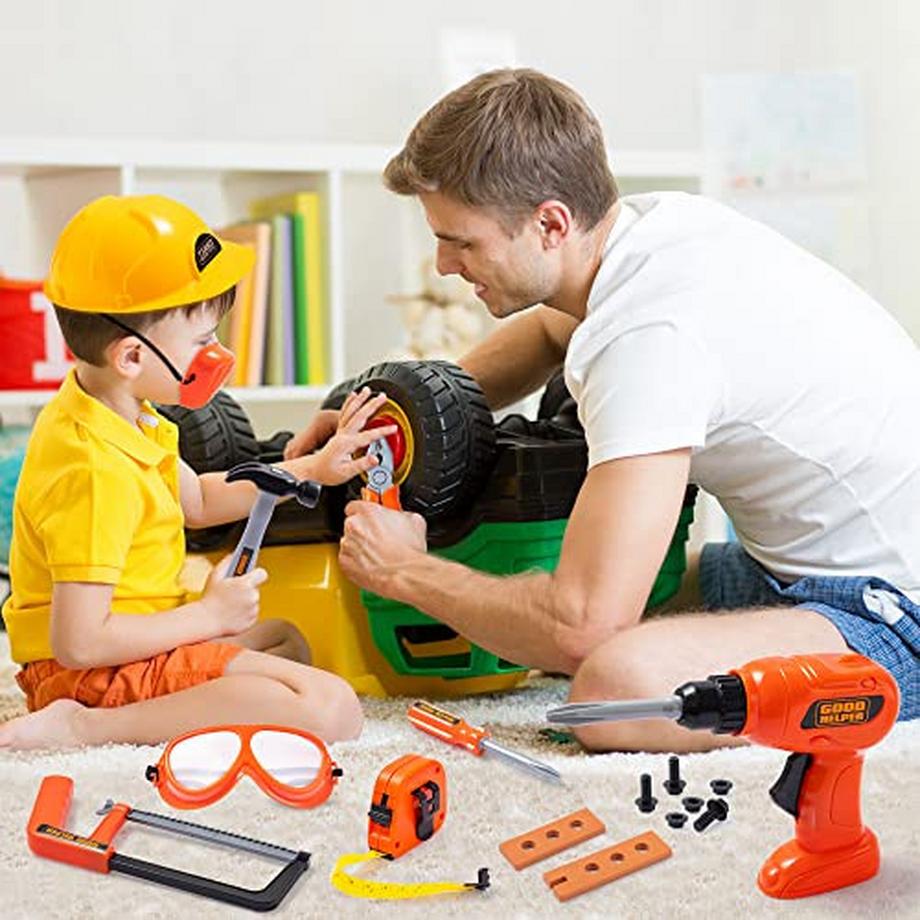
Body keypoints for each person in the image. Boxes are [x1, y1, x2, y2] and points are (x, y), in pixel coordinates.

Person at [286, 68, 920, 752]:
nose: (442, 265)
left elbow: (584, 628)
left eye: (461, 242)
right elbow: (544, 334)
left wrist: (405, 572)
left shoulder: (649, 339)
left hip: (890, 611)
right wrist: (382, 412)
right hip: (780, 569)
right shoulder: (653, 235)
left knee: (613, 688)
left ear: (550, 223)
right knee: (545, 591)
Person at [0, 195, 391, 750]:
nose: (219, 354)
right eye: (204, 341)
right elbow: (80, 642)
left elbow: (200, 501)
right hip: (93, 674)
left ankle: (171, 706)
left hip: (135, 646)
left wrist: (308, 469)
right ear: (132, 358)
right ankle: (83, 726)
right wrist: (206, 617)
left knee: (284, 641)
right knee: (333, 709)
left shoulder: (126, 414)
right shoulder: (93, 469)